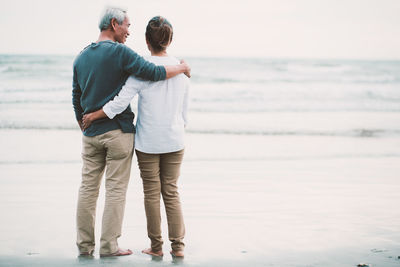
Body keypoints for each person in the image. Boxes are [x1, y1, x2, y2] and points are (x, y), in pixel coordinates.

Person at [72, 7, 190, 257]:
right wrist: (181, 68)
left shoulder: (81, 57)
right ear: (114, 24)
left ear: (148, 40)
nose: (128, 31)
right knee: (146, 190)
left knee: (88, 189)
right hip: (126, 133)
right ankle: (113, 247)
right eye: (126, 25)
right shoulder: (124, 54)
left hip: (97, 135)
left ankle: (85, 247)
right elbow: (156, 75)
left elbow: (77, 96)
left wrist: (85, 122)